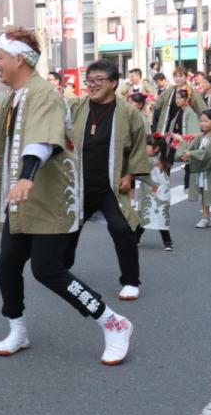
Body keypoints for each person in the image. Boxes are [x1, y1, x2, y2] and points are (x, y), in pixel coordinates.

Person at [0, 28, 133, 366]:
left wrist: (27, 176)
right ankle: (18, 328)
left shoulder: (43, 93)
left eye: (0, 57)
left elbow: (43, 140)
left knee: (47, 269)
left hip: (50, 199)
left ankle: (113, 322)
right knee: (8, 262)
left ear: (19, 59)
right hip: (22, 202)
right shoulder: (13, 96)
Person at [64, 60, 150, 301]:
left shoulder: (128, 112)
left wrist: (130, 175)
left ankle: (131, 281)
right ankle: (62, 264)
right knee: (67, 227)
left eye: (99, 80)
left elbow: (138, 146)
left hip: (110, 185)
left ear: (113, 83)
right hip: (80, 183)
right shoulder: (77, 106)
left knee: (122, 229)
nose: (93, 85)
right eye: (90, 80)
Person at [135, 135, 174, 251]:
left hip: (154, 193)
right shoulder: (159, 160)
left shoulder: (151, 161)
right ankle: (167, 242)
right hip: (159, 192)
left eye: (145, 147)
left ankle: (167, 241)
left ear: (156, 148)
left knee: (146, 215)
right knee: (154, 216)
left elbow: (139, 174)